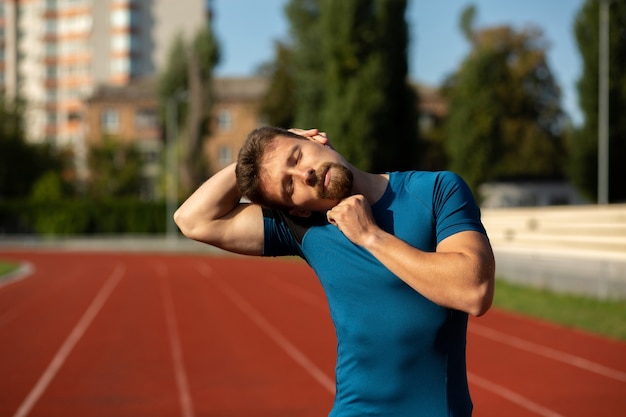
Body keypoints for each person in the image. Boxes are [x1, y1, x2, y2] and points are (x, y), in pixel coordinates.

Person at [174, 126, 495, 417]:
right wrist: (253, 165)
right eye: (288, 184)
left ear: (317, 139)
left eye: (297, 156)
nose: (306, 174)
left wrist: (371, 236)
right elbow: (193, 220)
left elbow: (473, 290)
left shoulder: (435, 190)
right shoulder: (303, 226)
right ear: (296, 208)